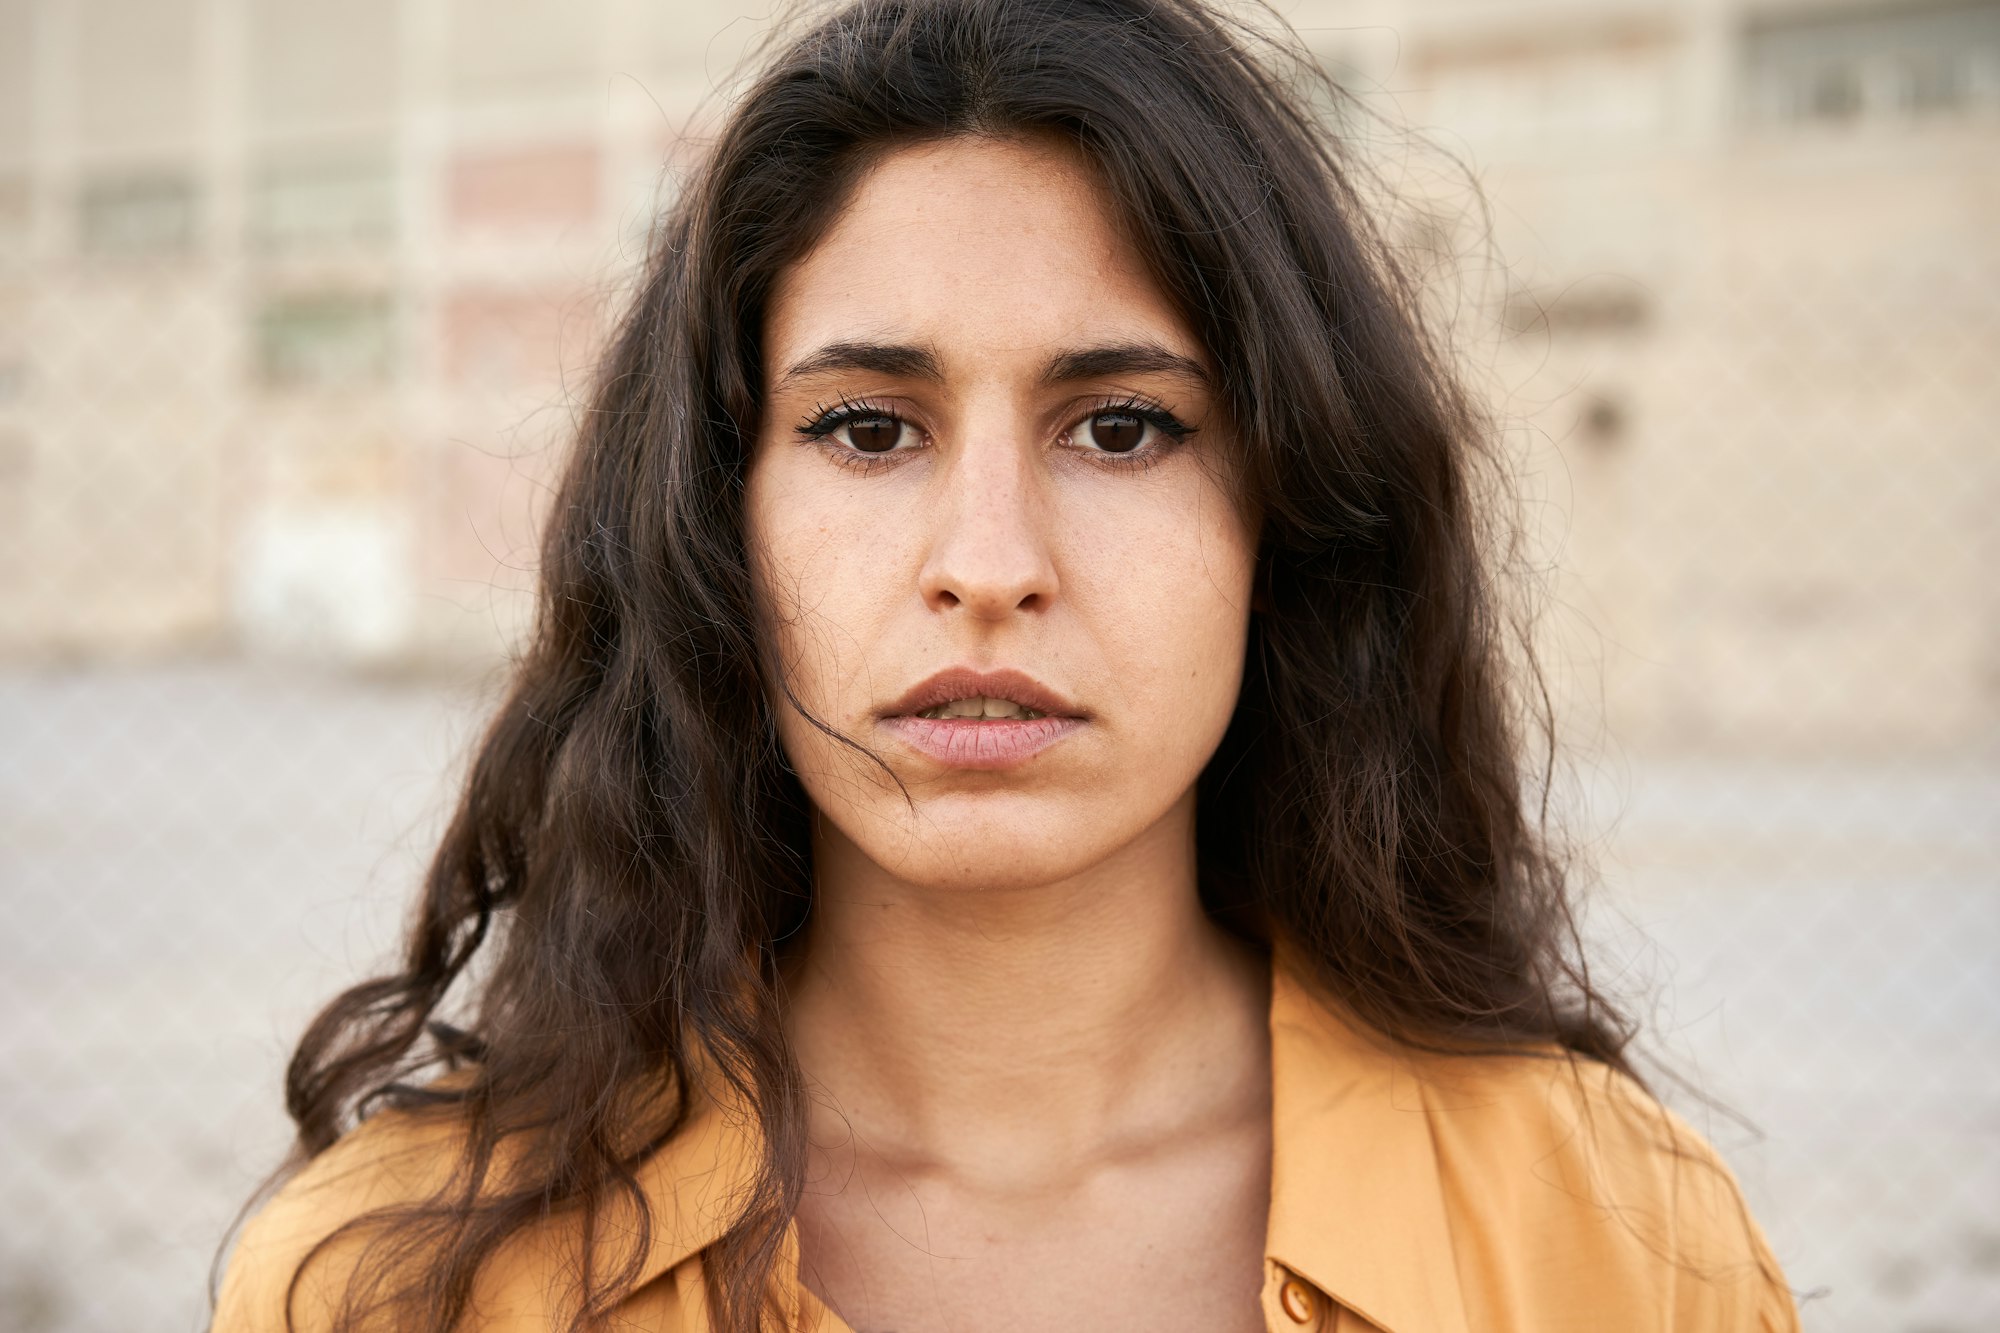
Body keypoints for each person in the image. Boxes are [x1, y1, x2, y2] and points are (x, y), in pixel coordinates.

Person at [212, 1, 1801, 1330]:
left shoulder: (1621, 1246)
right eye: (868, 428)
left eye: (1121, 428)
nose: (988, 560)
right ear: (715, 522)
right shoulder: (397, 1278)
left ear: (1290, 517)